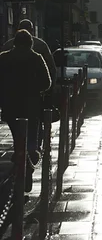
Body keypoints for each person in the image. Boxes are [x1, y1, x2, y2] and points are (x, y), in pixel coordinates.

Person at [0, 30, 52, 192]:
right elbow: (47, 83)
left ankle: (19, 162)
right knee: (31, 139)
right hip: (31, 106)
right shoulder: (36, 58)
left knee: (17, 136)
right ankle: (27, 166)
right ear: (30, 43)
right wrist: (36, 90)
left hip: (9, 105)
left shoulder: (3, 58)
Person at [2, 20, 56, 153]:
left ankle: (19, 154)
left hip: (9, 102)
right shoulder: (37, 55)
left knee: (16, 131)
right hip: (31, 102)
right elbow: (48, 79)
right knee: (33, 130)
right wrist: (42, 91)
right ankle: (31, 154)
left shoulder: (4, 55)